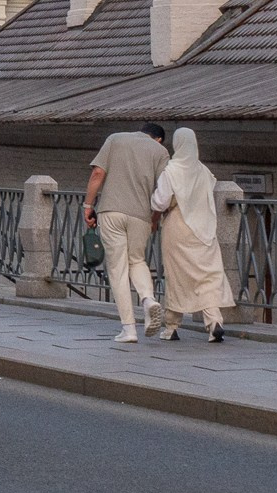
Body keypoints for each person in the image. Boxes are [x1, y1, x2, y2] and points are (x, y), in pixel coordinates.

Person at [84, 122, 170, 344]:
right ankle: (148, 299)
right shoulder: (160, 151)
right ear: (158, 138)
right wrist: (154, 219)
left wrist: (87, 206)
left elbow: (98, 173)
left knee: (118, 270)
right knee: (137, 260)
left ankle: (129, 329)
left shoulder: (116, 139)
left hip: (111, 211)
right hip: (141, 215)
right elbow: (164, 190)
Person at [152, 128, 234, 343]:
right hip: (204, 229)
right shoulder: (204, 171)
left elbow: (160, 202)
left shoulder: (171, 171)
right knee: (208, 276)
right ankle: (214, 321)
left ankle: (171, 326)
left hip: (178, 228)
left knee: (177, 277)